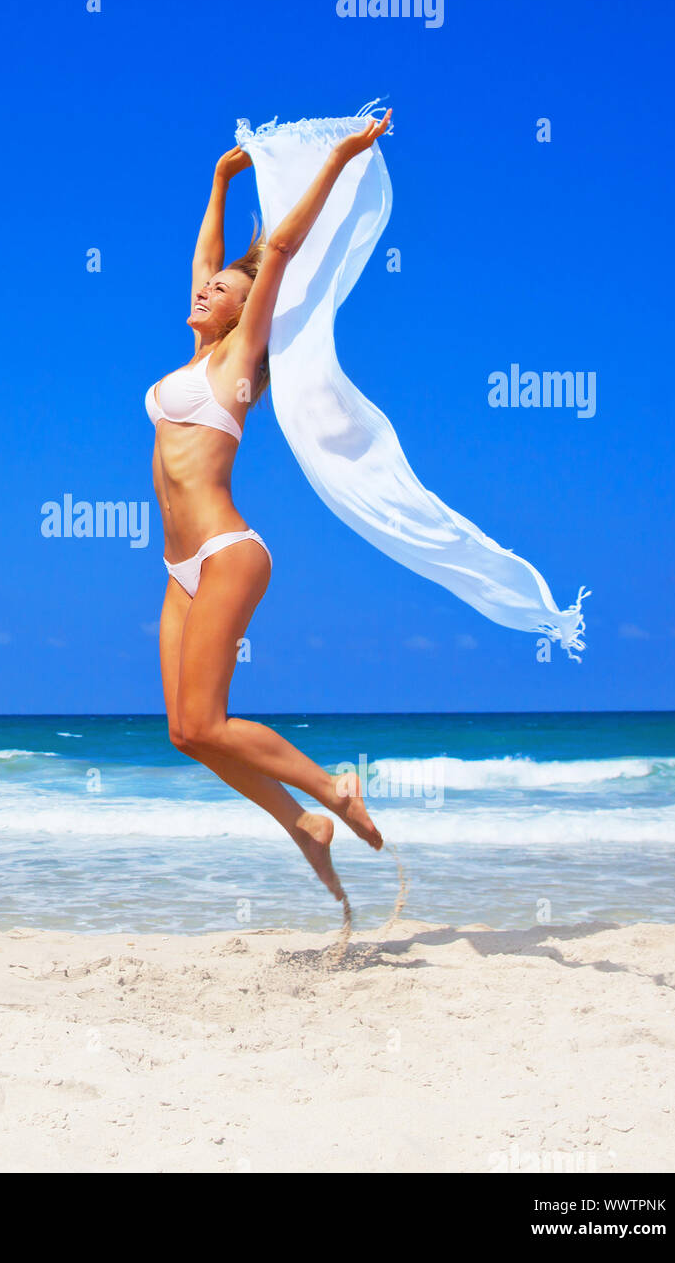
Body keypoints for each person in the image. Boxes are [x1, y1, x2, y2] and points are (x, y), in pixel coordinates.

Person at [147, 110, 392, 901]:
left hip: (226, 551)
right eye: (208, 285)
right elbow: (206, 257)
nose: (206, 288)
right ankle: (303, 825)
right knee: (188, 732)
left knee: (214, 722)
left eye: (220, 291)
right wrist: (219, 181)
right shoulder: (194, 353)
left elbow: (277, 249)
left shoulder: (238, 361)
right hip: (178, 564)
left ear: (239, 313)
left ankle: (332, 791)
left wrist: (340, 160)